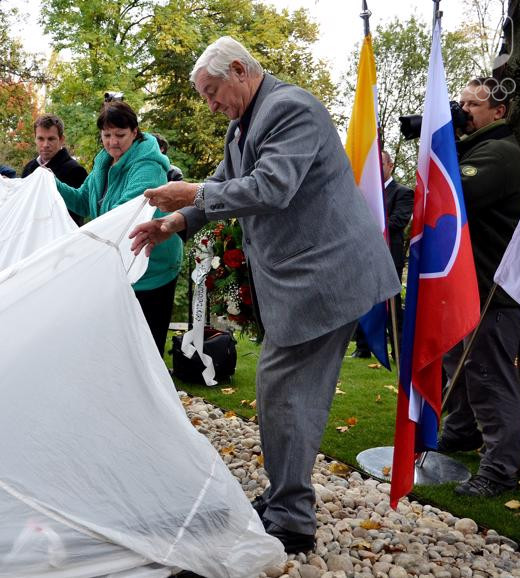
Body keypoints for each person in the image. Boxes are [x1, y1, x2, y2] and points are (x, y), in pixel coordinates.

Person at [128, 36, 399, 553]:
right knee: (285, 393)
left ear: (239, 69)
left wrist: (193, 194)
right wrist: (177, 221)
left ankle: (292, 519)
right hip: (304, 281)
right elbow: (226, 185)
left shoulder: (290, 108)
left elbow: (271, 187)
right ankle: (284, 504)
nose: (211, 105)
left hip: (327, 278)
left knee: (285, 391)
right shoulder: (243, 125)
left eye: (212, 92)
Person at [437, 77, 520, 497]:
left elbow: (455, 193)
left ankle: (499, 470)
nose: (465, 111)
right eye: (462, 104)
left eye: (474, 105)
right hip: (468, 286)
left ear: (499, 111)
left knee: (490, 376)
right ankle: (459, 434)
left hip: (494, 289)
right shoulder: (474, 148)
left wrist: (443, 142)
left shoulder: (500, 153)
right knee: (459, 365)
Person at [55, 100, 182, 355]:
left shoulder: (147, 165)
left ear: (135, 133)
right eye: (107, 135)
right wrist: (50, 183)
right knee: (119, 347)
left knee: (146, 351)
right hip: (121, 263)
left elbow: (126, 212)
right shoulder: (104, 163)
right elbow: (82, 201)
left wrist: (79, 244)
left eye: (120, 135)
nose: (113, 142)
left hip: (152, 266)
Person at [350, 150, 414, 359]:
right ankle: (363, 348)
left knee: (391, 305)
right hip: (364, 255)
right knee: (363, 301)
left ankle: (398, 350)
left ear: (391, 165)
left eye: (381, 164)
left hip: (388, 257)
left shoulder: (402, 192)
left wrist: (369, 229)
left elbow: (398, 221)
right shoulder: (366, 194)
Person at [21, 114, 88, 226]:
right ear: (35, 139)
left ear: (61, 139)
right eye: (40, 139)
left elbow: (76, 215)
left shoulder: (76, 171)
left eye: (51, 139)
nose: (45, 145)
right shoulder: (29, 168)